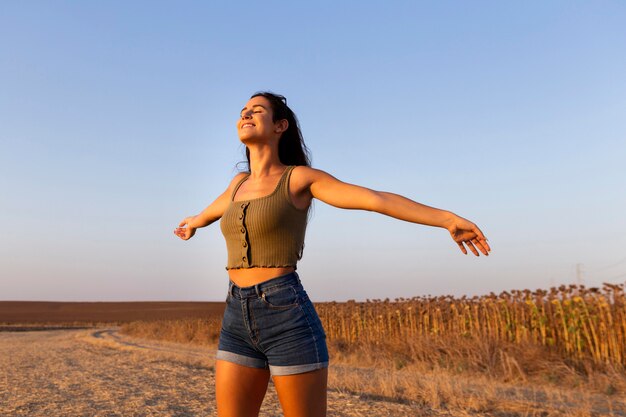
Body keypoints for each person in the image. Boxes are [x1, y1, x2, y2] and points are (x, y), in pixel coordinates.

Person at [173, 91, 491, 417]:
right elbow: (214, 210)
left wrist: (447, 219)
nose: (246, 115)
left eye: (257, 110)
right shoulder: (237, 184)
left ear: (280, 125)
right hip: (235, 316)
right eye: (243, 111)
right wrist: (194, 222)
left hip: (284, 313)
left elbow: (373, 198)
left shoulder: (298, 179)